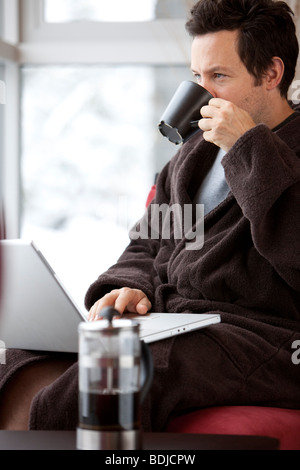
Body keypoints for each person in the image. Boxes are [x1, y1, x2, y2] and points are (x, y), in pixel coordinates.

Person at [0, 0, 300, 432]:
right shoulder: (192, 156)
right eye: (198, 76)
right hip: (177, 320)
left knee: (129, 368)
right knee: (17, 359)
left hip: (267, 337)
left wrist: (247, 147)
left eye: (219, 77)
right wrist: (127, 288)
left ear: (271, 74)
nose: (203, 93)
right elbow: (147, 242)